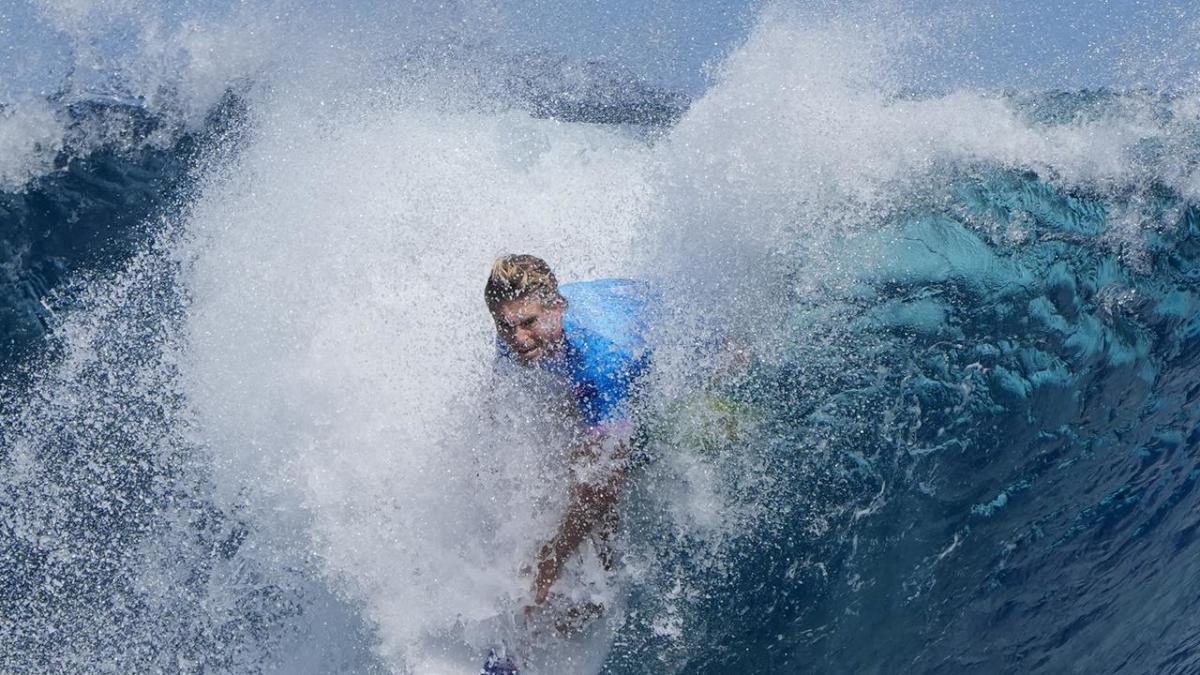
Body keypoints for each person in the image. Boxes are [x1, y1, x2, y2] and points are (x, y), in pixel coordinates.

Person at [484, 254, 654, 614]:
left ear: (556, 308)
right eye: (505, 327)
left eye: (528, 323)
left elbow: (605, 482)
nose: (518, 339)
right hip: (624, 313)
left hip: (679, 356)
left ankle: (601, 588)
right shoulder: (516, 325)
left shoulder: (602, 362)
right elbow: (499, 405)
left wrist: (550, 561)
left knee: (598, 473)